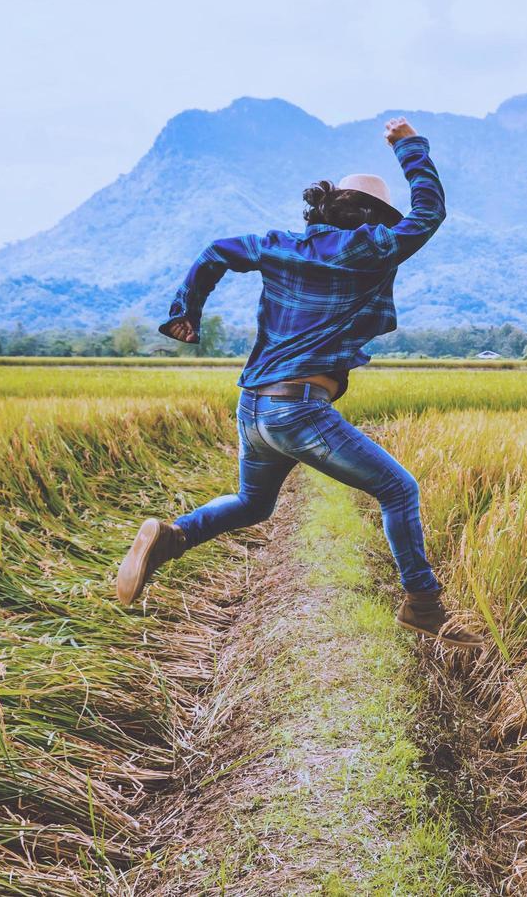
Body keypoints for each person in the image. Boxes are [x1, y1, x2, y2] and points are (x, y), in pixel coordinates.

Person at [115, 116, 481, 650]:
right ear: (373, 218)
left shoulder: (278, 244)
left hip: (254, 407)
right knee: (398, 490)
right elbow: (430, 211)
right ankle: (423, 604)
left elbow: (216, 250)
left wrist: (185, 313)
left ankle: (173, 536)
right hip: (299, 410)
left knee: (252, 504)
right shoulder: (372, 247)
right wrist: (410, 146)